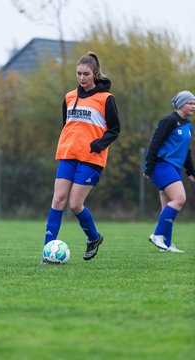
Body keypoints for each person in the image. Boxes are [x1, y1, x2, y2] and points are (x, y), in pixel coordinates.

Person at [41, 52, 120, 263]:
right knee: (58, 200)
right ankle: (47, 253)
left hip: (92, 159)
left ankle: (94, 238)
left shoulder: (106, 98)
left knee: (75, 205)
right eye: (78, 74)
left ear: (94, 74)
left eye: (86, 74)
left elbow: (115, 130)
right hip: (68, 155)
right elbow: (66, 125)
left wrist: (97, 144)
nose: (81, 78)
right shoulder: (68, 97)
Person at [144, 90, 195, 253]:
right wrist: (149, 167)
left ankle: (166, 244)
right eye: (190, 103)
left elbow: (186, 150)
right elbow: (155, 143)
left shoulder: (188, 125)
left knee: (168, 205)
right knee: (179, 198)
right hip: (162, 165)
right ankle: (158, 235)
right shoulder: (169, 120)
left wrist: (190, 171)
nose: (193, 106)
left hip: (174, 168)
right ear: (181, 104)